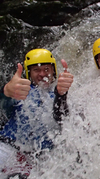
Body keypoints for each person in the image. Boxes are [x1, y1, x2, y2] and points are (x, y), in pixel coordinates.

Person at [0, 48, 74, 178]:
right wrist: (6, 91)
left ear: (53, 71)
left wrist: (62, 95)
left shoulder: (59, 93)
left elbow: (64, 119)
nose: (42, 74)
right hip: (9, 149)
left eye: (46, 69)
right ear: (29, 72)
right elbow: (4, 104)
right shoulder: (20, 90)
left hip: (39, 159)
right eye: (36, 70)